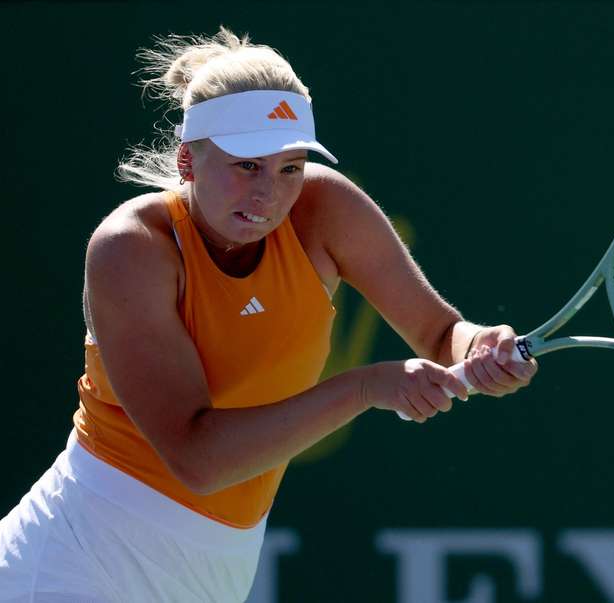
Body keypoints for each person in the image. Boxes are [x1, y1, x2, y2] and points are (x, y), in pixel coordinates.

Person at [0, 27, 536, 602]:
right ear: (188, 159)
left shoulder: (325, 209)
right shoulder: (132, 247)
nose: (269, 196)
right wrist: (363, 388)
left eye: (290, 168)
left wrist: (480, 346)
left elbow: (439, 332)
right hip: (74, 559)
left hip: (219, 570)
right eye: (247, 166)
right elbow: (197, 457)